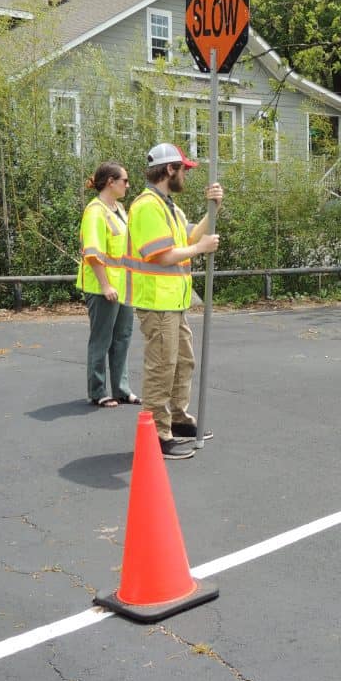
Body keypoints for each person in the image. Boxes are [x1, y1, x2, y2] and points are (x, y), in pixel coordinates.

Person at [124, 143, 222, 460]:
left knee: (182, 364)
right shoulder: (147, 206)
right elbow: (164, 255)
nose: (186, 176)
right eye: (184, 170)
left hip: (173, 303)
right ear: (170, 170)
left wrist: (214, 209)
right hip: (157, 302)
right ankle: (156, 435)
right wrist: (201, 249)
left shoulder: (169, 206)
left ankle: (177, 421)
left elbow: (192, 237)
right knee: (161, 369)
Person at [76, 161, 139, 408]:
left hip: (122, 286)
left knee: (122, 337)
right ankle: (98, 390)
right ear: (110, 182)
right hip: (102, 287)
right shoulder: (95, 211)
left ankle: (122, 389)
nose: (128, 185)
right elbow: (93, 252)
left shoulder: (120, 209)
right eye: (124, 180)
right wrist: (104, 285)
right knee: (101, 339)